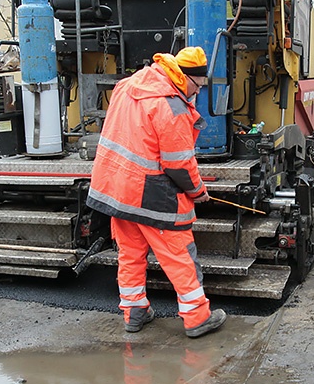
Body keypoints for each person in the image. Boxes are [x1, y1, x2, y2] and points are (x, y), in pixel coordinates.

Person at [87, 46, 226, 338]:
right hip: (151, 194)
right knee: (179, 256)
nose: (196, 94)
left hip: (117, 190)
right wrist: (199, 191)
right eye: (197, 86)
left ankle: (134, 310)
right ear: (185, 77)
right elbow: (177, 164)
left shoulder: (128, 85)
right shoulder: (171, 105)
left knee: (130, 253)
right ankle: (198, 317)